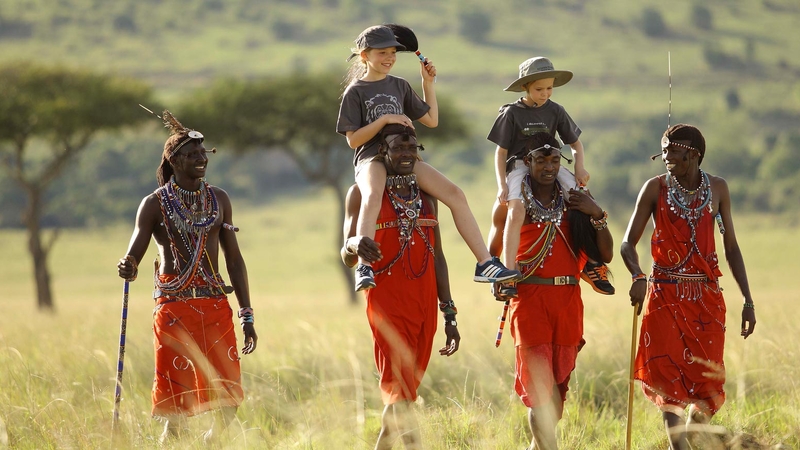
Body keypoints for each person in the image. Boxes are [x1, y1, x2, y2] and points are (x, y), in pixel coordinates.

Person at [337, 24, 520, 292]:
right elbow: (353, 140)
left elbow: (431, 120)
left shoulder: (399, 85)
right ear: (364, 55)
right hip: (372, 159)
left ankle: (484, 263)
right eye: (382, 53)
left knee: (455, 194)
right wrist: (385, 119)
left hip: (406, 159)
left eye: (392, 53)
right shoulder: (355, 91)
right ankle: (365, 265)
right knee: (373, 194)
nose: (389, 58)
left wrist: (427, 83)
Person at [116, 110, 257, 443]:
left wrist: (246, 313)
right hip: (174, 308)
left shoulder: (219, 199)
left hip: (214, 306)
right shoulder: (153, 204)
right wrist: (127, 266)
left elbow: (234, 260)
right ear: (174, 161)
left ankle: (212, 441)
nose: (201, 159)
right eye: (192, 155)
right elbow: (133, 255)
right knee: (176, 408)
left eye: (203, 153)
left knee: (228, 397)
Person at [620, 124, 756, 450]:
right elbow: (627, 244)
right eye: (663, 149)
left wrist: (748, 299)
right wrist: (638, 276)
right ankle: (679, 446)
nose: (666, 156)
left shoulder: (719, 189)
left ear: (693, 153)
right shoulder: (654, 189)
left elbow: (732, 248)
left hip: (707, 300)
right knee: (668, 384)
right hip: (664, 296)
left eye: (673, 150)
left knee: (707, 387)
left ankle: (686, 437)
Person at [341, 124, 461, 450]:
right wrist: (355, 245)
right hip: (386, 301)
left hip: (424, 302)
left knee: (403, 396)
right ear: (383, 151)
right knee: (400, 393)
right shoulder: (362, 194)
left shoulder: (427, 198)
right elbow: (346, 253)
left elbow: (438, 256)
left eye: (412, 148)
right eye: (398, 148)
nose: (406, 154)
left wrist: (449, 313)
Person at [499, 132, 613, 450]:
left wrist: (596, 213)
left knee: (557, 398)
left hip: (568, 303)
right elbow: (496, 249)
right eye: (540, 160)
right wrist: (503, 275)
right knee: (540, 397)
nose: (548, 166)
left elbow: (605, 255)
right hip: (530, 303)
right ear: (527, 162)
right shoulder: (514, 205)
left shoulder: (574, 202)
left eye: (554, 160)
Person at [486, 56, 614, 299]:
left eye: (549, 88)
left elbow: (575, 143)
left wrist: (579, 167)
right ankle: (508, 272)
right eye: (539, 89)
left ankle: (592, 262)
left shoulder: (556, 110)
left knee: (582, 196)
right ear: (525, 87)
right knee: (515, 211)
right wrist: (502, 184)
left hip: (551, 162)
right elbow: (501, 151)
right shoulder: (511, 112)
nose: (545, 94)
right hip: (520, 165)